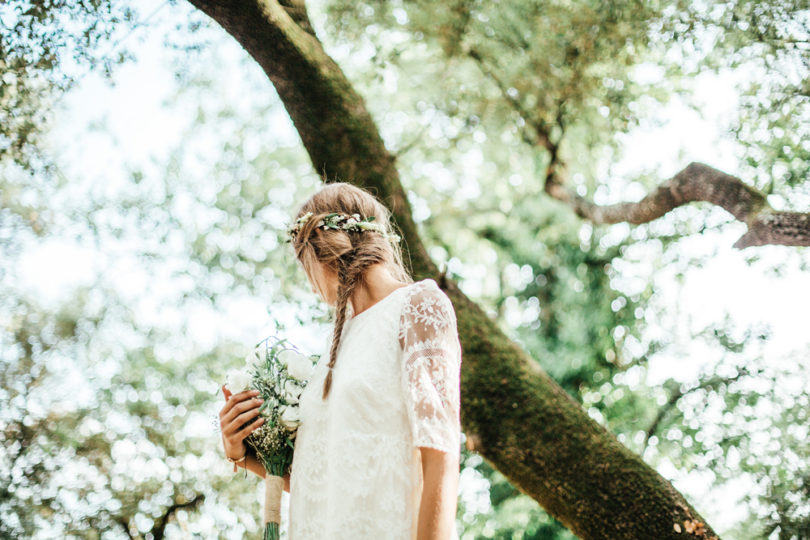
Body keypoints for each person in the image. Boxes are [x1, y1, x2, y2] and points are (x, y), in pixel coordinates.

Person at [218, 182, 462, 539]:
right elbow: (323, 484)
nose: (311, 284)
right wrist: (240, 453)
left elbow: (441, 453)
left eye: (304, 266)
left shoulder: (417, 305)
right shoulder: (336, 346)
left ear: (320, 251)